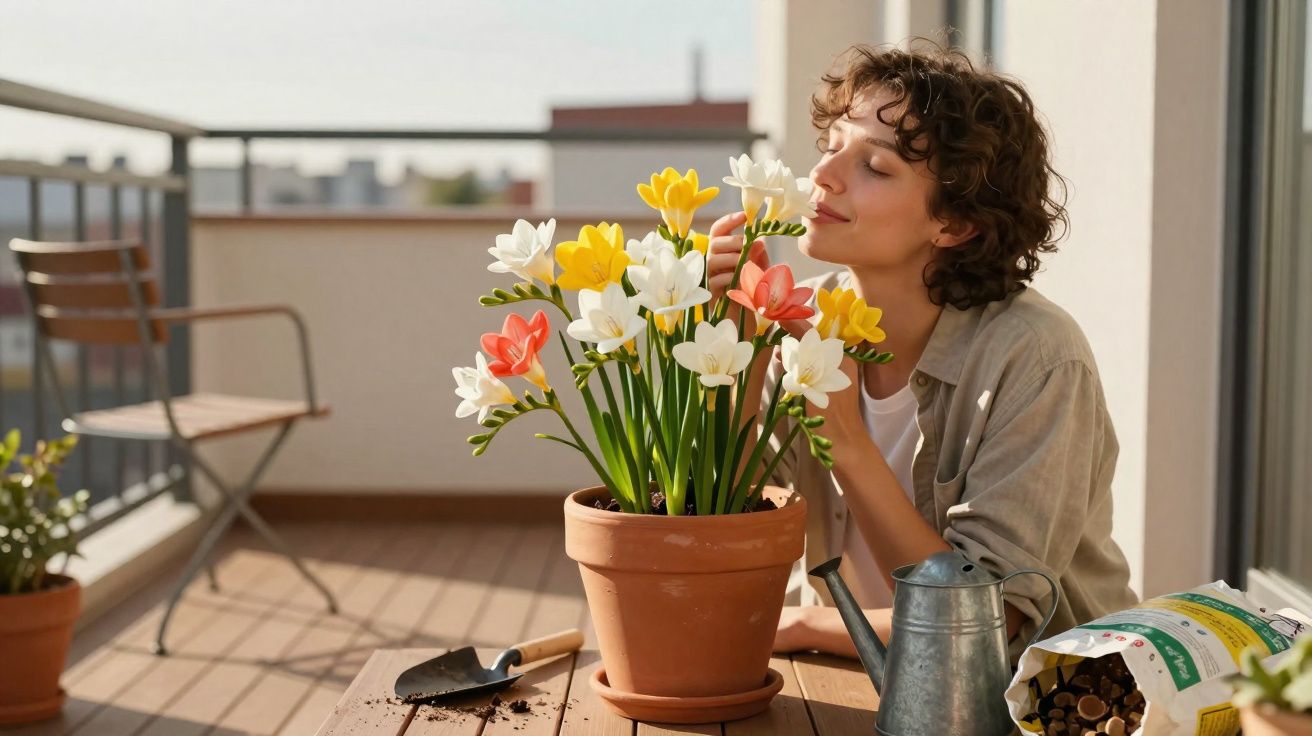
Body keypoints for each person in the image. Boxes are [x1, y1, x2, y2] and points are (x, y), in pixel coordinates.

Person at [705, 43, 1138, 661]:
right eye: (831, 147)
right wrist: (741, 346)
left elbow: (987, 626)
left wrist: (844, 440)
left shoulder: (1037, 359)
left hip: (1037, 706)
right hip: (858, 680)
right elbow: (724, 520)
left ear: (955, 224)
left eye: (875, 167)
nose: (823, 176)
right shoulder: (806, 319)